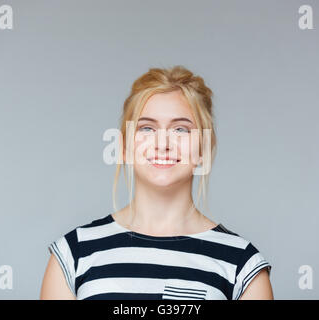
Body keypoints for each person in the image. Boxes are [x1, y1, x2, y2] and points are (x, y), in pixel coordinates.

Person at [40, 65, 273, 300]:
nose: (163, 143)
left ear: (203, 148)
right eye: (147, 128)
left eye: (181, 129)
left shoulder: (242, 265)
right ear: (123, 147)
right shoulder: (72, 255)